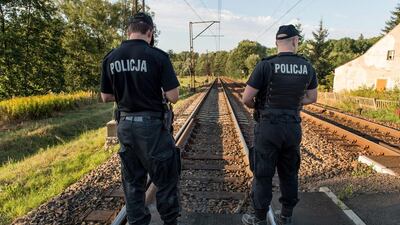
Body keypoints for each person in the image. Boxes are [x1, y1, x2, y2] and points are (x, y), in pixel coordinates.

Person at [100, 12, 180, 225]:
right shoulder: (158, 56)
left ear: (128, 32)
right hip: (152, 128)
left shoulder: (111, 57)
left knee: (133, 182)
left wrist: (128, 93)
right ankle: (170, 221)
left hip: (125, 126)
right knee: (165, 178)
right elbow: (174, 96)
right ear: (150, 32)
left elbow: (106, 96)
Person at [241, 24, 318, 225]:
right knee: (289, 173)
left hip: (268, 127)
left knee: (263, 175)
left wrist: (259, 107)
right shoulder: (307, 66)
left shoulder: (266, 65)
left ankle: (258, 219)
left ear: (276, 43)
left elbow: (246, 98)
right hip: (292, 127)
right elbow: (313, 97)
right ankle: (286, 216)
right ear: (295, 41)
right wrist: (293, 102)